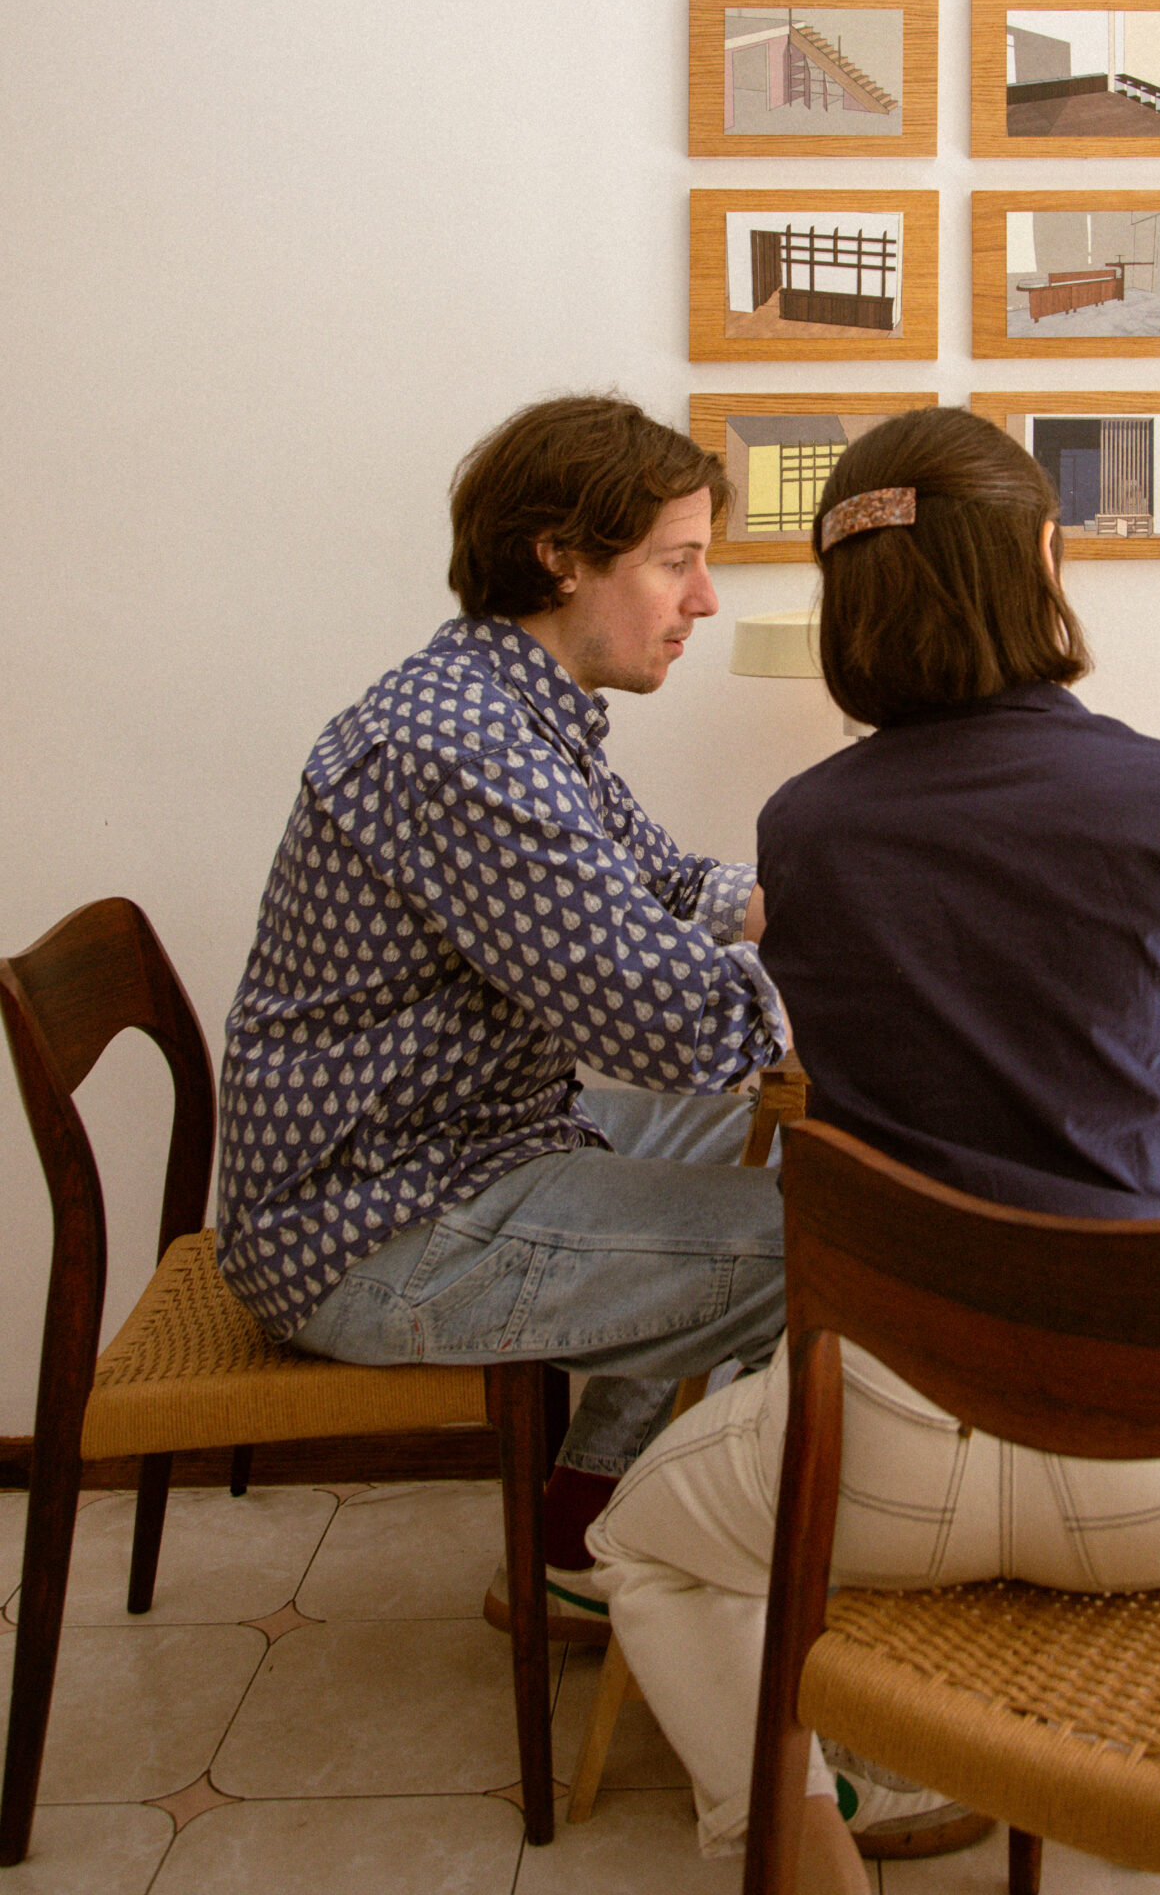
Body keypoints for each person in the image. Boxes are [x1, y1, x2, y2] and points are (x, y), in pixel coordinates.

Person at [586, 407, 1160, 1884]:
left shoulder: (803, 829)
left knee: (645, 1544)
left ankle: (802, 1847)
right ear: (1044, 564)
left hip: (883, 1463)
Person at [216, 394, 789, 1639]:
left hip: (464, 1150)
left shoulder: (518, 709)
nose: (702, 602)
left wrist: (826, 898)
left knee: (801, 1156)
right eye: (677, 564)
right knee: (840, 1244)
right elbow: (668, 1021)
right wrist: (917, 971)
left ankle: (581, 1525)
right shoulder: (465, 745)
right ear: (563, 558)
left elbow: (671, 888)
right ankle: (732, 1598)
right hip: (375, 1227)